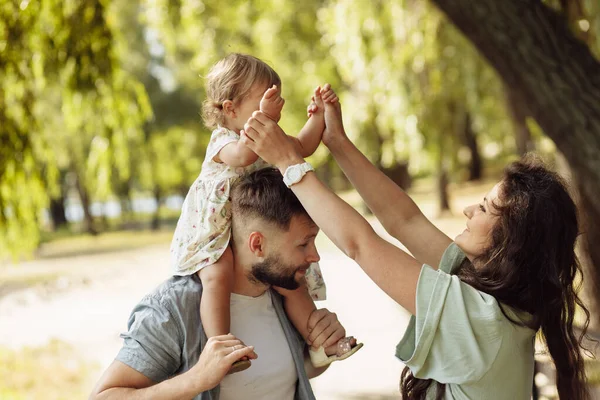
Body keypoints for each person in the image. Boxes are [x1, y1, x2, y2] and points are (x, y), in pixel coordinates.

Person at [240, 86, 591, 400]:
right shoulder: (497, 299)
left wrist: (289, 162)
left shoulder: (478, 319)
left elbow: (359, 244)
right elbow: (404, 220)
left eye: (484, 208)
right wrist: (338, 143)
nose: (469, 209)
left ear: (509, 243)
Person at [90, 167, 358, 400]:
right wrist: (196, 379)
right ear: (258, 244)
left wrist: (321, 350)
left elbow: (288, 375)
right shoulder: (173, 310)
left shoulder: (283, 292)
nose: (315, 255)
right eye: (303, 244)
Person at [169, 53, 360, 372]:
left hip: (256, 228)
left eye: (277, 98)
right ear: (230, 109)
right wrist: (266, 121)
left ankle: (320, 344)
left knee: (290, 280)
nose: (277, 107)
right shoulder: (224, 141)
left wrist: (317, 116)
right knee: (218, 274)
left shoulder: (266, 135)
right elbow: (244, 156)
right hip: (217, 235)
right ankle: (222, 348)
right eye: (266, 99)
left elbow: (301, 146)